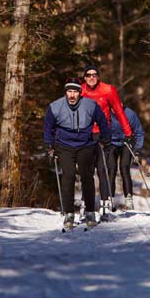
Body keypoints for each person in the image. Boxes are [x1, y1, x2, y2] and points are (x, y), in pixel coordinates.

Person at [44, 77, 111, 229]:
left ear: (80, 93)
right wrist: (49, 144)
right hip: (64, 145)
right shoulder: (55, 107)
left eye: (75, 91)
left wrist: (105, 139)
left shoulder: (90, 105)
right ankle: (69, 214)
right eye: (69, 91)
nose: (72, 95)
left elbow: (102, 122)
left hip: (85, 144)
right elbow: (48, 127)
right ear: (66, 93)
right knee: (68, 176)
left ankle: (89, 212)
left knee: (87, 176)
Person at [81, 65, 134, 220]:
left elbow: (118, 110)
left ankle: (105, 204)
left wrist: (128, 132)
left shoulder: (108, 90)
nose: (91, 78)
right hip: (86, 135)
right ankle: (87, 204)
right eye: (88, 75)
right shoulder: (80, 90)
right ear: (84, 77)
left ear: (98, 76)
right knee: (87, 171)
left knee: (103, 170)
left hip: (104, 135)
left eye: (94, 75)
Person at [108, 106, 144, 210]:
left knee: (124, 169)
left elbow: (139, 132)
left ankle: (129, 200)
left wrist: (137, 150)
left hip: (126, 143)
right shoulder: (106, 113)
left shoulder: (130, 114)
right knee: (111, 169)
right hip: (111, 143)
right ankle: (110, 200)